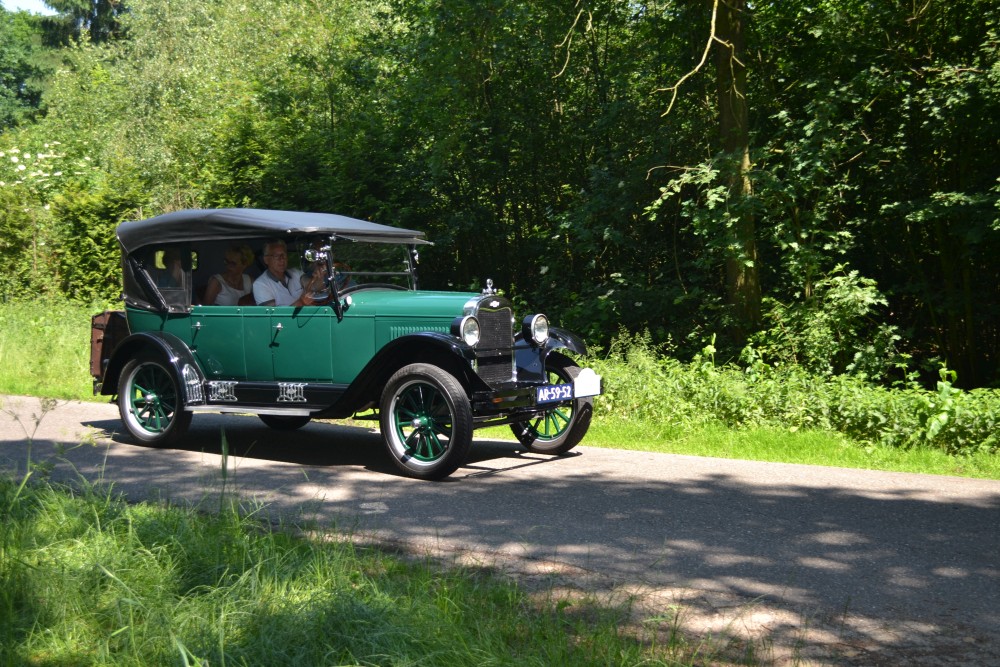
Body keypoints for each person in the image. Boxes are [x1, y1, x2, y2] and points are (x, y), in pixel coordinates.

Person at [252, 239, 315, 307]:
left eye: (283, 255)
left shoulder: (295, 272)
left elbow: (314, 287)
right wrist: (301, 302)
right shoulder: (260, 284)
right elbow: (273, 316)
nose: (282, 259)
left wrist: (319, 277)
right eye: (276, 256)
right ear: (266, 260)